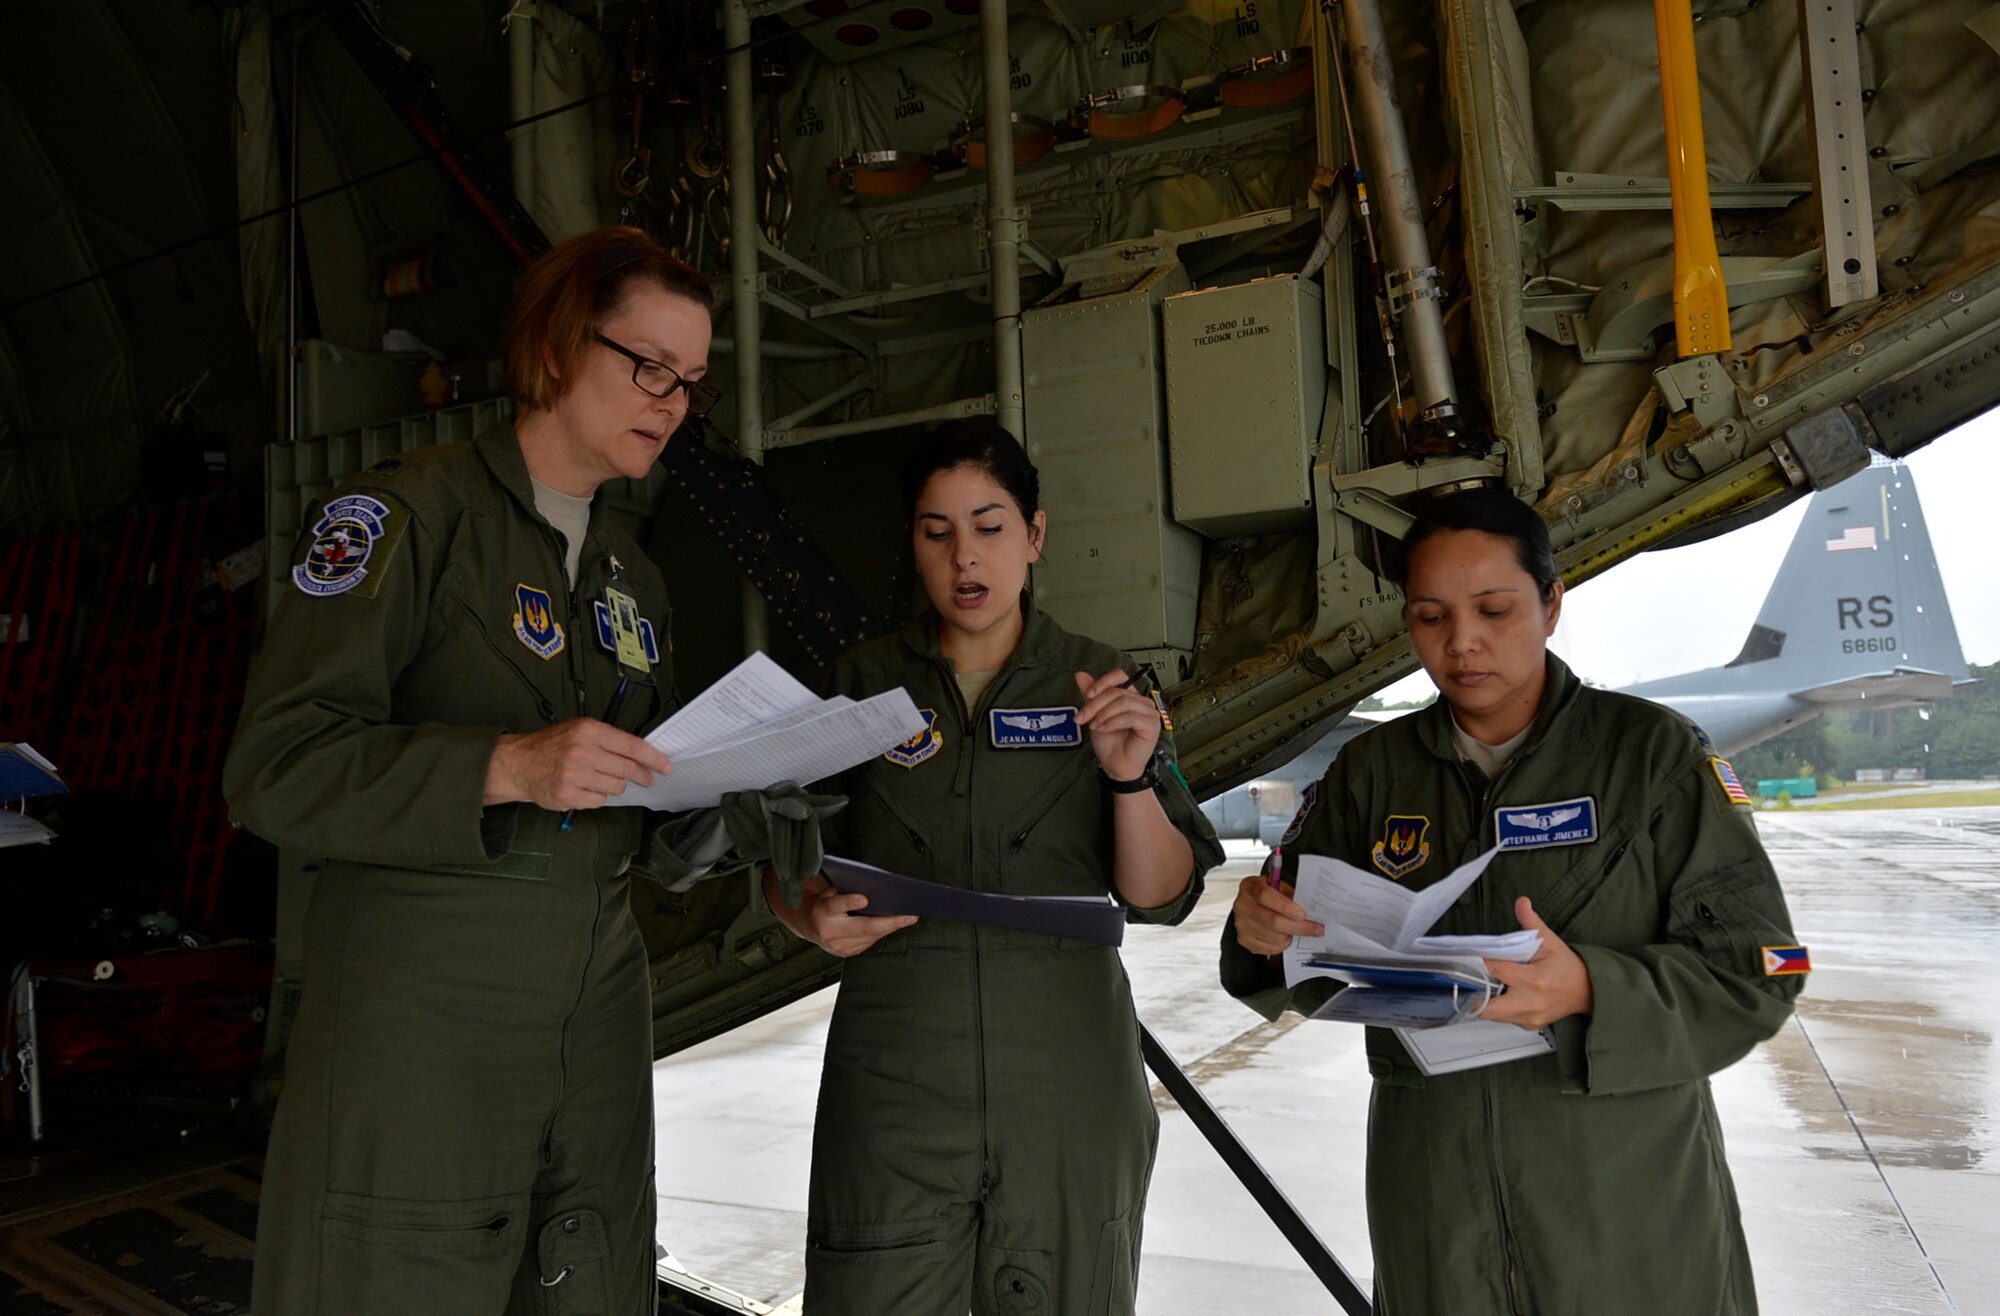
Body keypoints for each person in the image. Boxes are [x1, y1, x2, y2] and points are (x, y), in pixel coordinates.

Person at [225, 226, 719, 1315]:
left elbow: (633, 795)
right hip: (425, 1024)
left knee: (588, 1273)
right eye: (648, 365)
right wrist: (501, 765)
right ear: (554, 346)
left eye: (688, 379)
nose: (671, 399)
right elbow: (275, 766)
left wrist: (722, 803)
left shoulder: (634, 577)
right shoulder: (404, 519)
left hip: (592, 1017)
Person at [1222, 486, 1808, 1315]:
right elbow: (1299, 959)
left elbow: (1761, 969)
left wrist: (1590, 989)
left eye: (1494, 609)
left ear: (1552, 601)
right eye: (1429, 617)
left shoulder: (1651, 757)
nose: (1462, 643)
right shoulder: (1370, 774)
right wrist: (1260, 932)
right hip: (1436, 1207)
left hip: (1620, 1211)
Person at [764, 420, 1224, 1315]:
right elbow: (788, 862)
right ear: (914, 543)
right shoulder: (859, 686)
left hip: (1064, 1070)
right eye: (937, 533)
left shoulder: (1101, 682)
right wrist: (804, 914)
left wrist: (1127, 778)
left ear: (1035, 536)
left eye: (990, 526)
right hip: (898, 1072)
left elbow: (1162, 893)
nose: (964, 559)